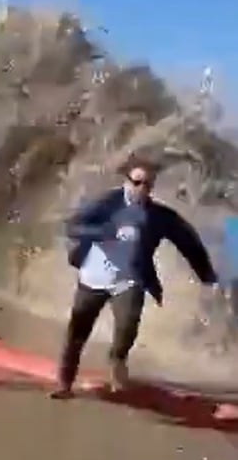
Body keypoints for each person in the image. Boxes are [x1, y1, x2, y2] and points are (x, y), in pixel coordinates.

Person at [52, 158, 219, 397]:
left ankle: (117, 359)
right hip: (94, 275)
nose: (143, 189)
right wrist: (106, 232)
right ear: (127, 181)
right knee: (77, 330)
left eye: (148, 185)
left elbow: (187, 240)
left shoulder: (158, 216)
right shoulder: (107, 203)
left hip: (129, 278)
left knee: (128, 325)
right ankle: (64, 384)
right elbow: (73, 227)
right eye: (138, 182)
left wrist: (207, 275)